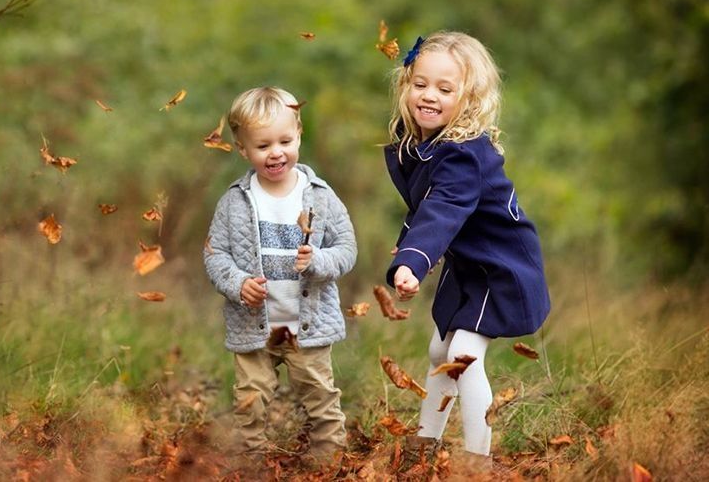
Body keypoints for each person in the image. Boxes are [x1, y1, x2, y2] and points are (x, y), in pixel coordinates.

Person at [383, 31, 550, 463]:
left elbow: (444, 209)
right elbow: (426, 208)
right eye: (420, 84)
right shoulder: (424, 146)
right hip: (469, 266)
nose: (429, 96)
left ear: (468, 98)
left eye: (444, 88)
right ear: (405, 85)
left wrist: (414, 261)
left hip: (500, 267)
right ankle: (426, 440)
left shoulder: (462, 155)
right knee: (440, 351)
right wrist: (409, 252)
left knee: (462, 356)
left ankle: (478, 460)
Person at [203, 86, 357, 459]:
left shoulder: (319, 195)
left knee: (320, 398)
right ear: (243, 149)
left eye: (285, 141)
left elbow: (347, 249)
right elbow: (214, 254)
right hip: (254, 324)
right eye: (263, 145)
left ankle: (327, 461)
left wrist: (319, 261)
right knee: (250, 400)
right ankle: (250, 462)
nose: (276, 153)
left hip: (308, 325)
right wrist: (238, 283)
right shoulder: (235, 201)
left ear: (299, 133)